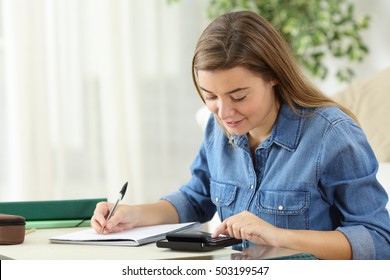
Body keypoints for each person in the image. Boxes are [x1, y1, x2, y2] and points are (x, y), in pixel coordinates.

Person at [91, 10, 390, 259]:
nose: (224, 112)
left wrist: (279, 236)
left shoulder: (332, 134)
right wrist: (132, 215)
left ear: (274, 76)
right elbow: (197, 199)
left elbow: (378, 240)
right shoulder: (218, 129)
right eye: (210, 96)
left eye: (238, 96)